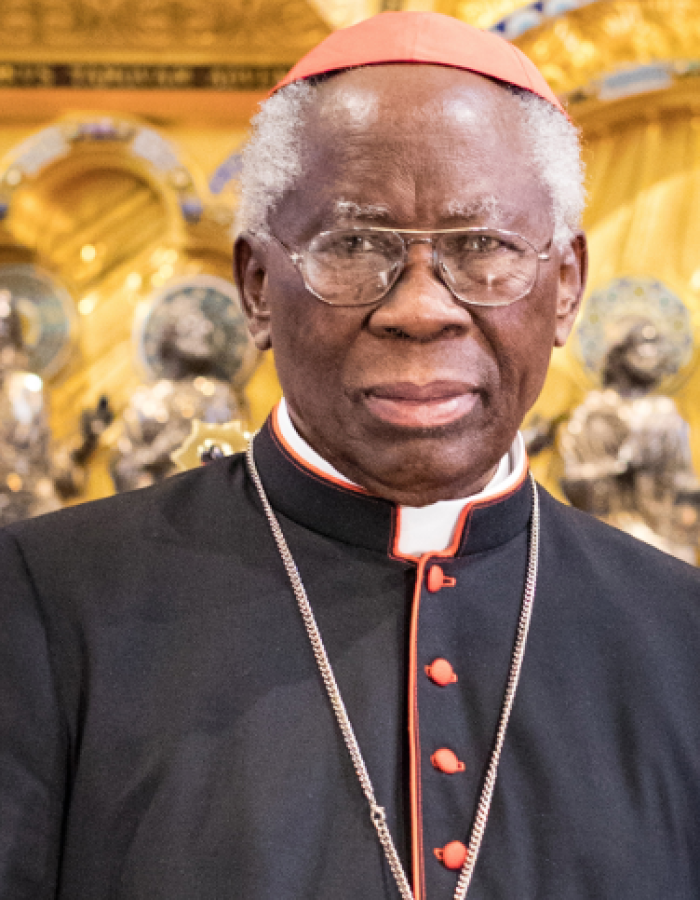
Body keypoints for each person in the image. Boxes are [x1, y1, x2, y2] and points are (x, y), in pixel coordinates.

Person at [2, 11, 700, 900]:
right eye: (353, 246)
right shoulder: (44, 606)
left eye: (481, 247)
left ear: (565, 290)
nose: (419, 309)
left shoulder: (683, 634)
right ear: (257, 286)